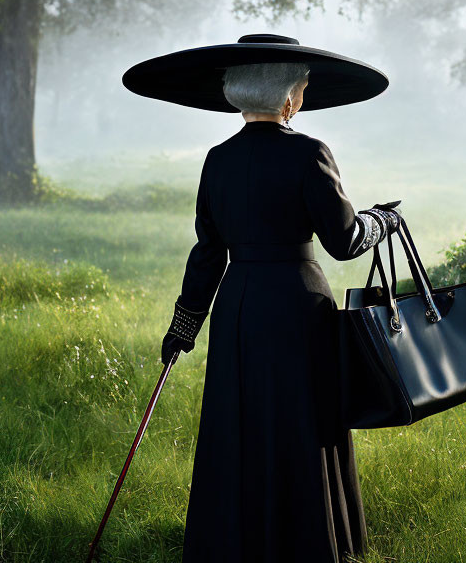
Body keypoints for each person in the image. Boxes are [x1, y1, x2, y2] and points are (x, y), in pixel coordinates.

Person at [124, 35, 398, 563]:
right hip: (298, 307)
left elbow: (208, 254)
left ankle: (235, 544)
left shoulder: (217, 159)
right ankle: (310, 544)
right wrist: (385, 220)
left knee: (240, 422)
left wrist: (183, 328)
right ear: (290, 99)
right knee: (303, 420)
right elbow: (344, 242)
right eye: (303, 87)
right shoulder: (309, 152)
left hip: (237, 309)